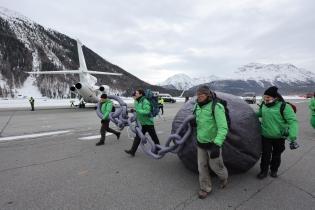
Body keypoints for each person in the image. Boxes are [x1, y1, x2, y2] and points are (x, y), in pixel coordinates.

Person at [193, 86, 228, 199]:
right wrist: (194, 122)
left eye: (201, 95)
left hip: (213, 143)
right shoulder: (197, 106)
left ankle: (224, 178)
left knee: (216, 166)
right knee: (201, 166)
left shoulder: (216, 107)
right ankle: (205, 188)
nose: (199, 97)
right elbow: (198, 121)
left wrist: (217, 144)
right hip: (201, 142)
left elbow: (223, 128)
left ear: (208, 95)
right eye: (197, 95)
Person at [256, 86, 298, 179]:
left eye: (268, 98)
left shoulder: (284, 106)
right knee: (265, 155)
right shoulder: (263, 105)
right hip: (266, 135)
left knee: (276, 155)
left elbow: (292, 121)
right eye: (264, 97)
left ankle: (274, 170)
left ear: (275, 98)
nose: (266, 99)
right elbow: (259, 114)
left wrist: (293, 136)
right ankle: (263, 171)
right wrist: (248, 114)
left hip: (279, 137)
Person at [125, 89, 160, 156]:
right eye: (136, 93)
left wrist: (137, 110)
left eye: (137, 93)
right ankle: (132, 151)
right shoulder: (136, 101)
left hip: (148, 123)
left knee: (154, 137)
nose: (135, 94)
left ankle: (158, 149)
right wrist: (132, 111)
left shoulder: (145, 101)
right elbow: (137, 111)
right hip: (141, 123)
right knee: (138, 137)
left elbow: (147, 111)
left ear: (141, 94)